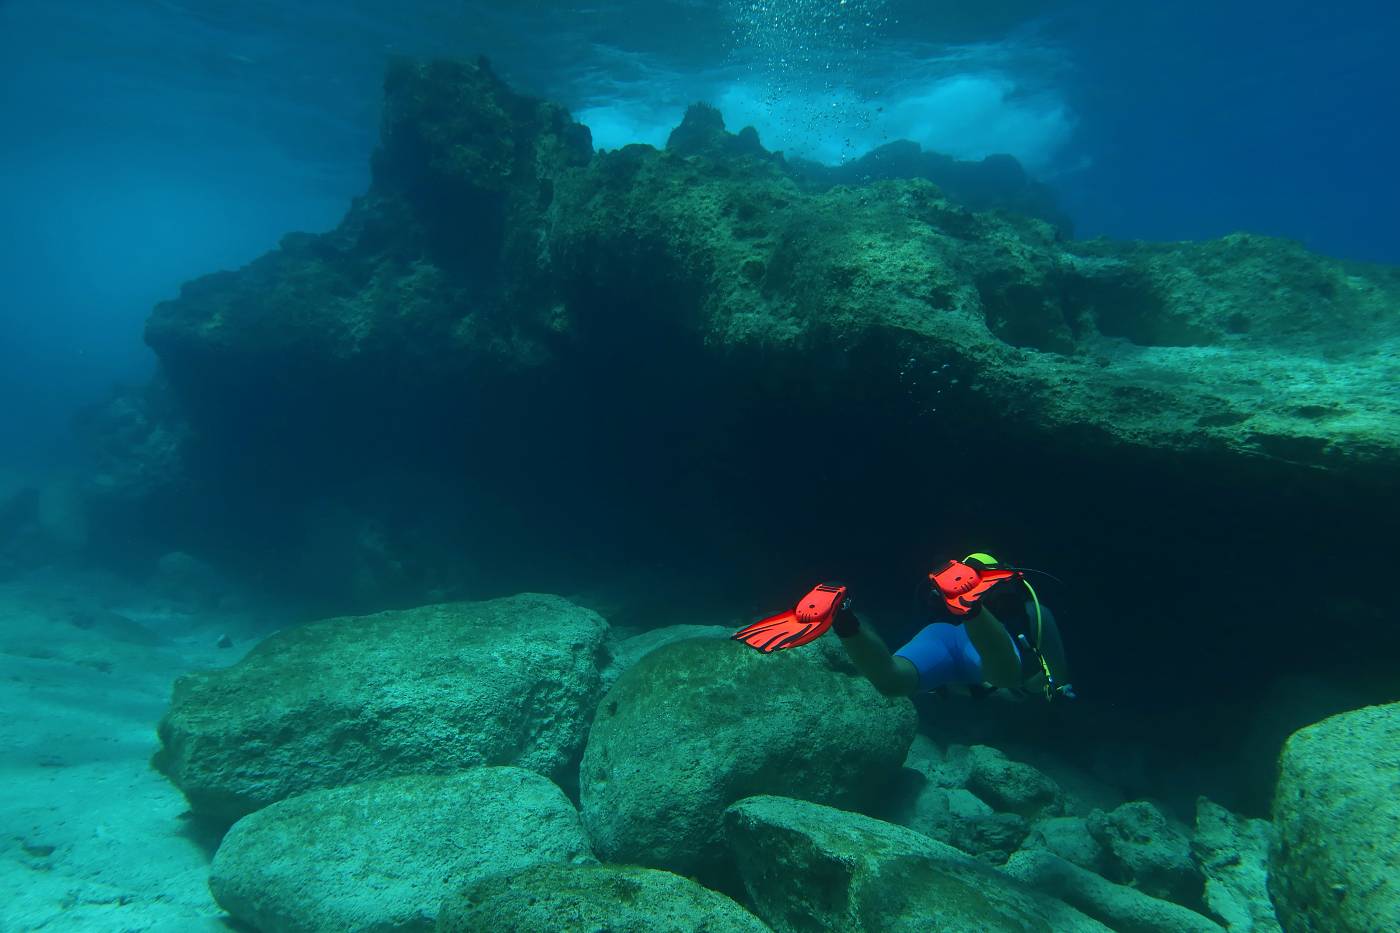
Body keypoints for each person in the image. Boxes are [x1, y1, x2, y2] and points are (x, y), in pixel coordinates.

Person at [734, 552, 1073, 700]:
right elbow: (1052, 678)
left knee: (892, 681)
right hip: (981, 644)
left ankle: (844, 619)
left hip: (943, 635)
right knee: (1006, 677)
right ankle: (972, 610)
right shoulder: (1035, 612)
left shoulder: (1027, 613)